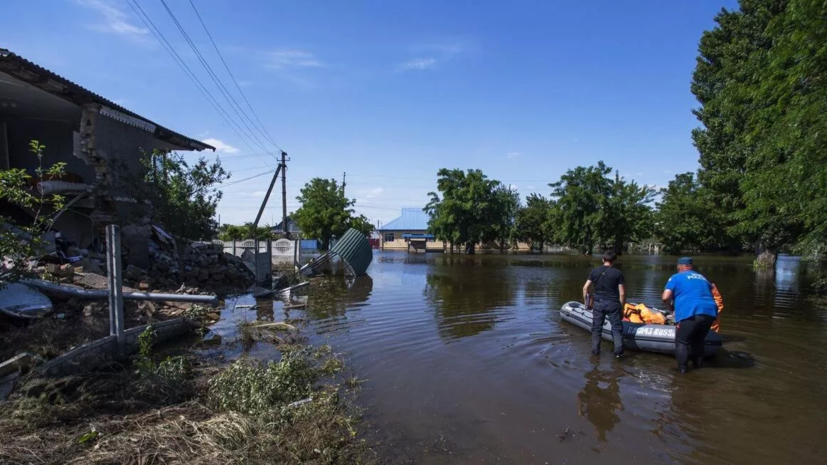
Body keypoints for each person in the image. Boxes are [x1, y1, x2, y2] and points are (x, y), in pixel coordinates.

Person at [662, 257, 721, 373]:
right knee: (698, 341)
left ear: (679, 266)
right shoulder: (702, 277)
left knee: (681, 342)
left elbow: (665, 297)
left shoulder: (675, 277)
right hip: (710, 311)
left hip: (691, 310)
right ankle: (698, 369)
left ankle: (683, 371)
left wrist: (671, 309)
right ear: (691, 266)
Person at [582, 250, 626, 358]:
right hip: (613, 303)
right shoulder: (618, 273)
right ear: (614, 261)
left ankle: (595, 353)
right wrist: (621, 307)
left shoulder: (594, 271)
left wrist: (586, 302)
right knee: (616, 329)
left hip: (598, 303)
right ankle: (618, 354)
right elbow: (622, 293)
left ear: (603, 260)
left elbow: (585, 288)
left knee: (597, 329)